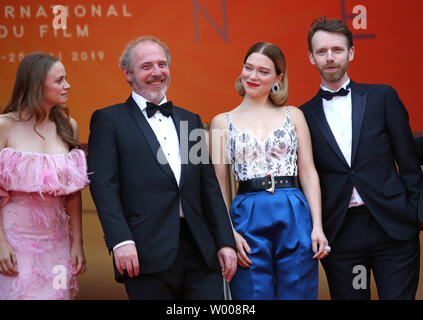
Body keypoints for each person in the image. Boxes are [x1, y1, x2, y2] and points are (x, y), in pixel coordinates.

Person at [88, 36, 237, 300]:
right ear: (128, 73)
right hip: (144, 251)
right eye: (146, 66)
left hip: (200, 250)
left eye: (162, 64)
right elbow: (104, 187)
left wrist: (225, 240)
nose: (157, 72)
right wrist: (120, 240)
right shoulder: (108, 120)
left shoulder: (190, 120)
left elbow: (209, 187)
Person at [300, 17, 422, 299]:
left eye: (337, 50)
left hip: (393, 228)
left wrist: (415, 213)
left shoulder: (383, 97)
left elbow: (408, 160)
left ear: (351, 52)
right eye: (321, 51)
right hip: (342, 235)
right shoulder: (302, 116)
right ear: (311, 57)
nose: (330, 57)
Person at [210, 42, 328, 300]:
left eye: (263, 71)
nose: (253, 76)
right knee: (251, 294)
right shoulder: (221, 122)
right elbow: (217, 185)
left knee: (298, 292)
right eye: (248, 68)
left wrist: (317, 226)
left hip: (294, 211)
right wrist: (228, 232)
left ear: (278, 78)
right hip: (247, 215)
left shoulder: (294, 115)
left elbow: (308, 174)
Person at [0, 53, 88, 300]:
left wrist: (76, 244)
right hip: (12, 244)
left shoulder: (68, 125)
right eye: (59, 80)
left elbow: (73, 192)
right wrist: (0, 243)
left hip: (57, 243)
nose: (67, 85)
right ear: (37, 87)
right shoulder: (4, 125)